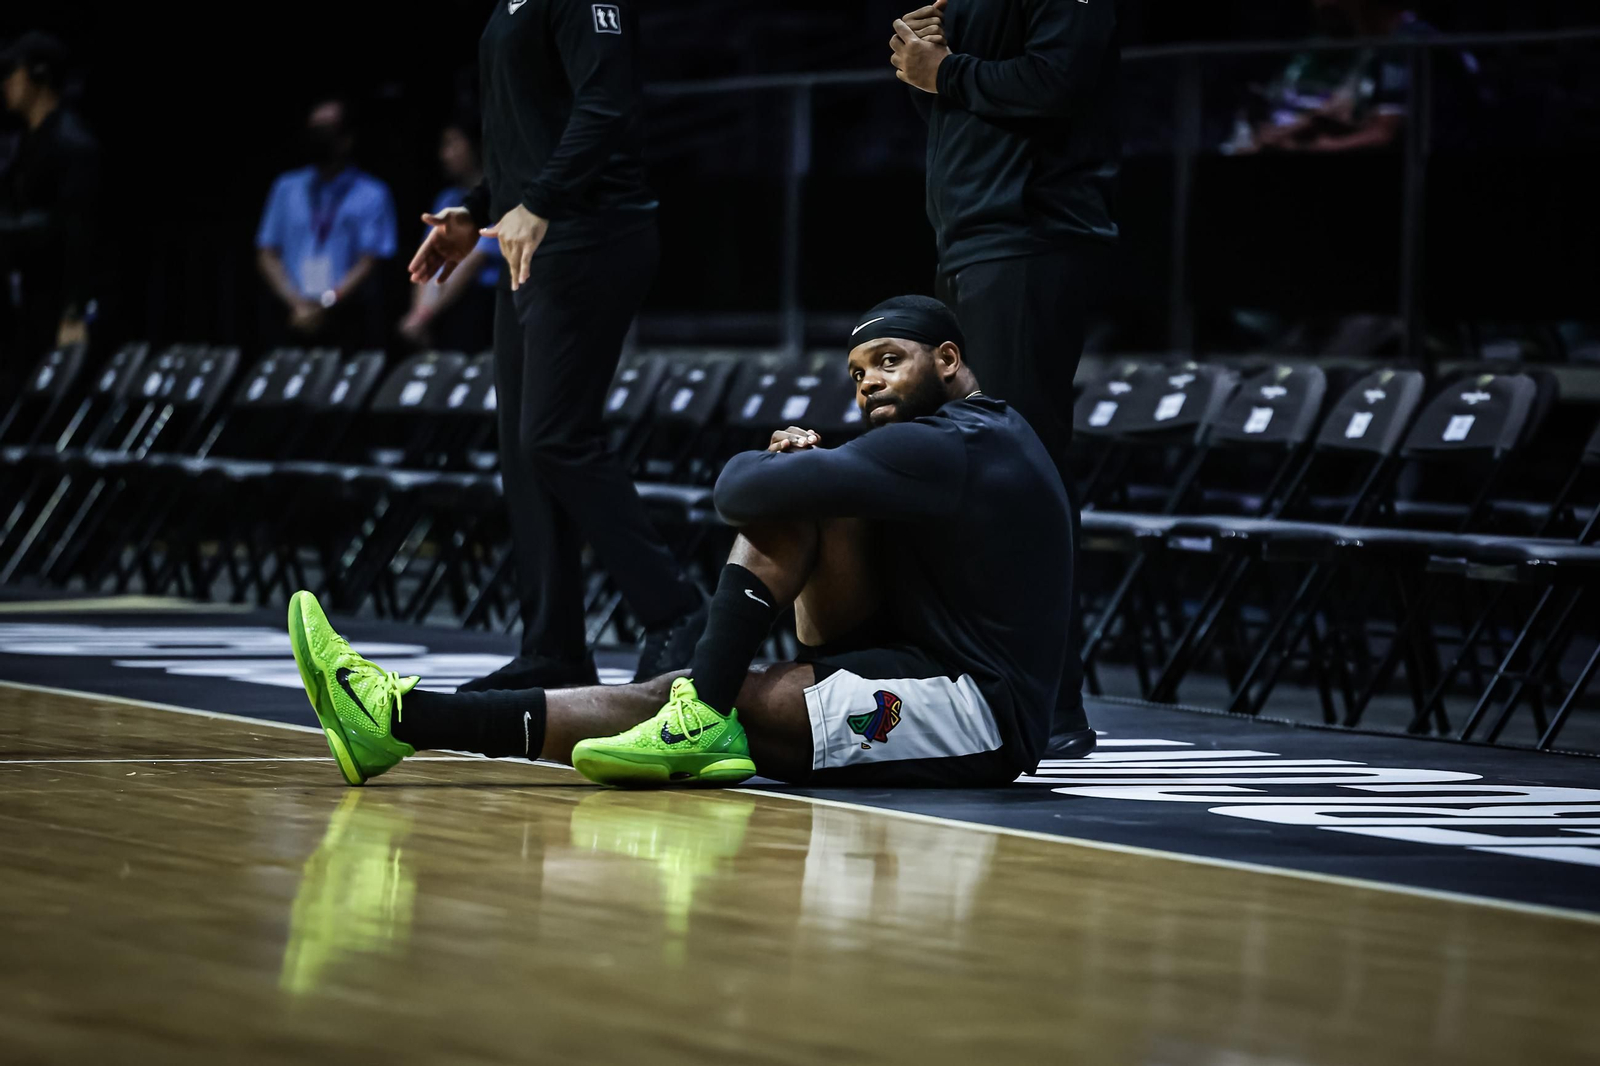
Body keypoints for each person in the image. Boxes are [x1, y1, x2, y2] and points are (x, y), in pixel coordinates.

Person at [283, 296, 1096, 789]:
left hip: (975, 714)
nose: (868, 382)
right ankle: (400, 716)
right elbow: (815, 586)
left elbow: (735, 491)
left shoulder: (956, 444)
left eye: (888, 360)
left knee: (712, 666)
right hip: (907, 659)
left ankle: (404, 718)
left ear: (948, 360)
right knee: (803, 494)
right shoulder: (959, 437)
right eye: (855, 372)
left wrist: (769, 465)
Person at [407, 0, 705, 692]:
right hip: (535, 241)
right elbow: (531, 129)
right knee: (522, 445)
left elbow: (606, 104)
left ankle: (678, 613)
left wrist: (538, 201)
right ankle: (554, 649)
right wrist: (479, 209)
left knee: (555, 436)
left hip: (591, 233)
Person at [890, 0, 1119, 743]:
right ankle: (991, 683)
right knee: (978, 474)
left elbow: (1058, 82)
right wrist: (926, 72)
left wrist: (945, 69)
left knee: (1024, 470)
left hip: (1031, 236)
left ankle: (1053, 703)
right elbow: (973, 114)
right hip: (970, 239)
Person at [256, 98, 396, 350]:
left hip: (346, 316)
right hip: (292, 312)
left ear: (346, 138)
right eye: (313, 130)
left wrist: (328, 302)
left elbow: (370, 260)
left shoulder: (371, 193)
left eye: (325, 130)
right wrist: (297, 303)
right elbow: (267, 252)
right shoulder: (286, 188)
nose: (317, 138)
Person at [0, 32, 98, 393]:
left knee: (49, 404)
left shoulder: (71, 144)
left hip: (55, 306)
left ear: (39, 75)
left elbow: (80, 231)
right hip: (26, 302)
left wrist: (74, 312)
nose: (6, 82)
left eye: (13, 71)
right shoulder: (25, 146)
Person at [1227, 0, 1441, 155]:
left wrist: (1315, 148)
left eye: (1338, 10)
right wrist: (1282, 134)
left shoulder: (1405, 42)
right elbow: (1341, 107)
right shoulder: (1382, 46)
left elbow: (1383, 134)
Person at [398, 118, 498, 354]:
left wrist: (426, 315)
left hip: (482, 305)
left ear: (476, 145)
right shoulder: (447, 199)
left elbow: (471, 262)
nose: (444, 155)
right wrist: (418, 313)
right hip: (441, 308)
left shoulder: (500, 196)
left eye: (452, 144)